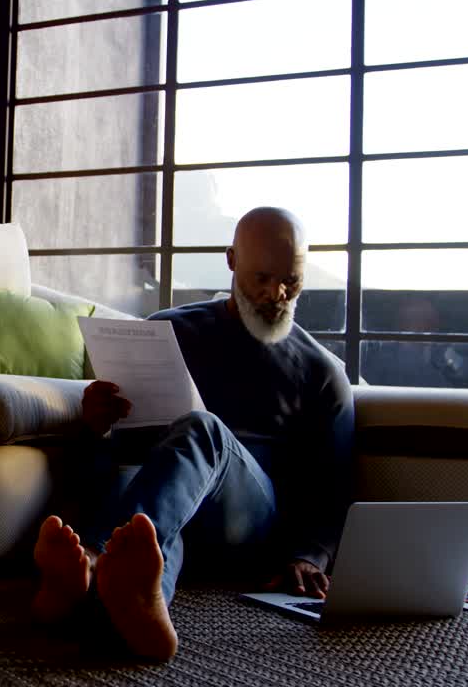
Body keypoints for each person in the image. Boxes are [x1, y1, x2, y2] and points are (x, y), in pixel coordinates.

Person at [30, 207, 355, 661]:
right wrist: (97, 423)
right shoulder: (169, 330)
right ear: (230, 260)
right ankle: (135, 603)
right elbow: (124, 447)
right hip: (166, 508)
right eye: (262, 277)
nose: (275, 294)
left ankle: (91, 561)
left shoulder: (322, 372)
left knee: (202, 431)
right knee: (144, 513)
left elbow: (335, 482)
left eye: (291, 281)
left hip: (248, 525)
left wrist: (311, 556)